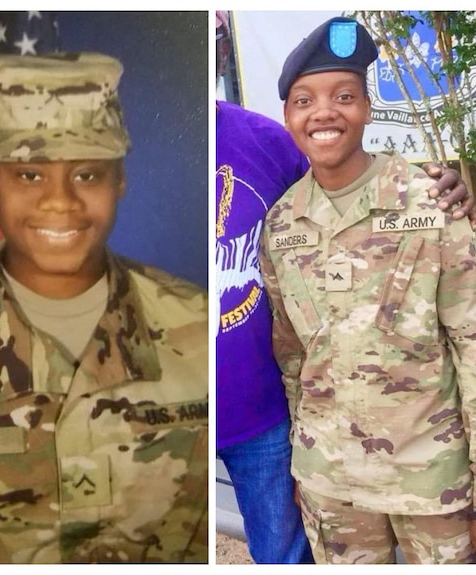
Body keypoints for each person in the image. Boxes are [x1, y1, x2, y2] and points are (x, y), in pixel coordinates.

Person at [0, 52, 208, 563]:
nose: (60, 202)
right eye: (30, 175)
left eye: (88, 175)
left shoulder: (198, 326)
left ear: (121, 179)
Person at [214, 11, 473, 564]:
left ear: (366, 107)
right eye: (304, 101)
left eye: (343, 96)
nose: (324, 113)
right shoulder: (280, 224)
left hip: (432, 477)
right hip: (331, 483)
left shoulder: (430, 205)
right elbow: (289, 354)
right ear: (286, 115)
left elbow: (471, 341)